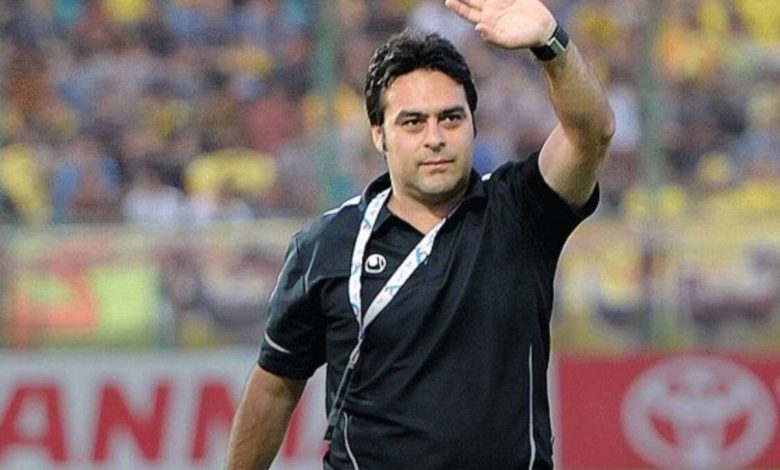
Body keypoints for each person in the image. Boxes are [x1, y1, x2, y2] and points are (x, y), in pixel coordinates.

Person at [225, 0, 614, 468]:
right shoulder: (326, 246)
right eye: (413, 122)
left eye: (451, 118)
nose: (435, 138)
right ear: (379, 134)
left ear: (473, 125)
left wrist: (552, 43)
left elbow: (591, 135)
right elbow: (274, 386)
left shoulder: (521, 211)